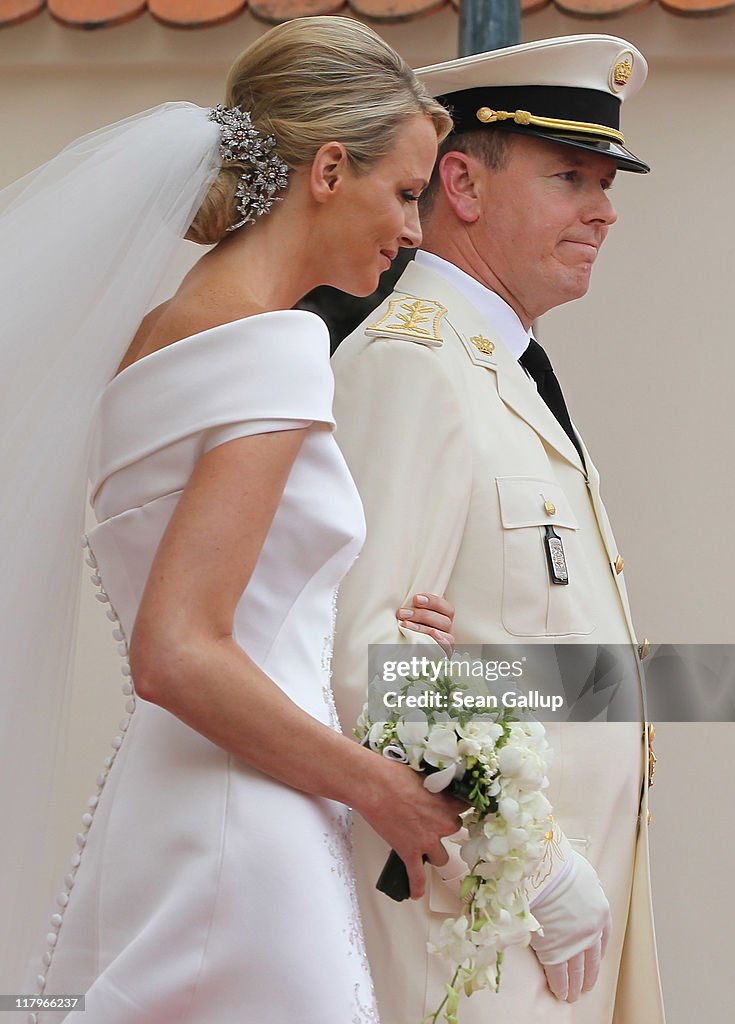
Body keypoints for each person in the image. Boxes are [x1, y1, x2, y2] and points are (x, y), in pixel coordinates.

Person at [0, 17, 467, 1023]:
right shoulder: (278, 349)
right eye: (406, 192)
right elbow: (176, 649)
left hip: (162, 807)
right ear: (331, 169)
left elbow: (233, 609)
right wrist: (381, 787)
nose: (416, 231)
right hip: (242, 824)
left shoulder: (151, 344)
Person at [331, 34, 665, 1024]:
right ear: (464, 185)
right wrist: (544, 872)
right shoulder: (412, 367)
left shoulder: (501, 371)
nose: (603, 209)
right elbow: (366, 662)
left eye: (605, 182)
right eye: (571, 177)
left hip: (560, 924)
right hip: (477, 933)